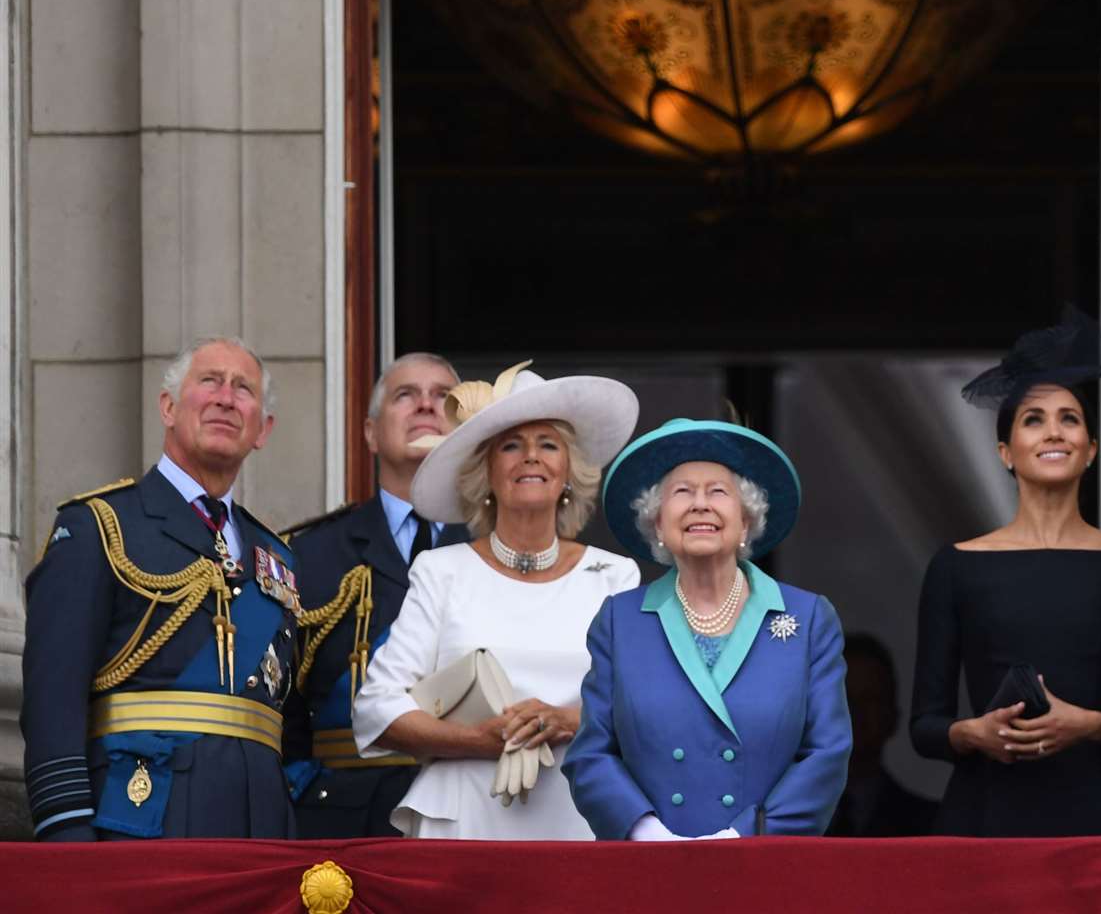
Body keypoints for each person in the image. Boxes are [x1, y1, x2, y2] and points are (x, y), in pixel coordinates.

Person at [910, 308, 1101, 837]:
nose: (1053, 431)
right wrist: (974, 733)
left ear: (1091, 450)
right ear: (1006, 453)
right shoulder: (956, 566)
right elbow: (924, 727)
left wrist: (1092, 725)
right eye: (1033, 419)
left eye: (1070, 418)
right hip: (986, 819)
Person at [22, 336, 300, 840]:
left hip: (262, 826)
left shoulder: (275, 556)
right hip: (143, 817)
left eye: (244, 389)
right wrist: (65, 832)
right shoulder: (101, 525)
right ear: (168, 407)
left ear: (262, 429)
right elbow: (52, 696)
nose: (225, 397)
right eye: (209, 381)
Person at [350, 361, 641, 839]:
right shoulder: (442, 571)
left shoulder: (612, 575)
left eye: (548, 444)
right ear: (485, 474)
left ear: (568, 471)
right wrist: (477, 741)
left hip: (579, 815)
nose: (531, 457)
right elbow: (377, 710)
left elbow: (642, 706)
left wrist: (567, 720)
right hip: (464, 817)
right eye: (511, 445)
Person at [564, 419, 851, 840]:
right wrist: (646, 833)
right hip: (650, 868)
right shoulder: (619, 621)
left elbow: (827, 753)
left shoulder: (808, 618)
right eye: (681, 492)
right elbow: (591, 753)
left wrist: (745, 837)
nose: (700, 504)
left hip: (765, 864)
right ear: (658, 525)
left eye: (718, 491)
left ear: (747, 521)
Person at [284, 353, 472, 837]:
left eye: (443, 399)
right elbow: (282, 696)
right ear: (369, 433)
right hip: (345, 817)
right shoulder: (311, 552)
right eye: (406, 395)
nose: (427, 406)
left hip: (474, 803)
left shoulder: (495, 547)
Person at [827, 633, 938, 837]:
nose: (855, 711)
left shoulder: (933, 825)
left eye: (870, 699)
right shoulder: (778, 819)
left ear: (893, 717)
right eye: (844, 698)